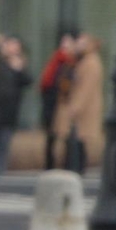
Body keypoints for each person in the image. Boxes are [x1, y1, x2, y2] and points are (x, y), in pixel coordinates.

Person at [52, 31, 106, 179]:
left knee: (78, 143)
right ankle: (75, 171)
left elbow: (85, 90)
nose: (79, 45)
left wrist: (75, 108)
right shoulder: (82, 60)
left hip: (83, 112)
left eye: (82, 43)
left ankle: (76, 172)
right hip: (80, 110)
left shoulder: (91, 63)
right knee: (75, 142)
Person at [0, 34, 28, 174]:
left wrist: (19, 70)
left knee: (3, 146)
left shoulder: (18, 66)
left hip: (9, 113)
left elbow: (27, 81)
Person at [38, 29, 78, 170]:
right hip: (51, 102)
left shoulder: (73, 63)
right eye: (63, 41)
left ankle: (68, 166)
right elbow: (46, 81)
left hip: (63, 104)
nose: (65, 45)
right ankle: (49, 166)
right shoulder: (56, 60)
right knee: (51, 137)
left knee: (67, 138)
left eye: (68, 42)